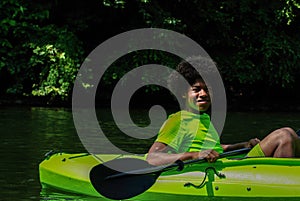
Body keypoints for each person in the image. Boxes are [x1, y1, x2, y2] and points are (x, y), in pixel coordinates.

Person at [146, 56, 300, 166]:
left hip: (227, 165)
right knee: (284, 135)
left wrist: (241, 145)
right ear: (183, 92)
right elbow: (152, 158)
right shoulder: (178, 120)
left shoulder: (204, 118)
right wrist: (194, 155)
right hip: (217, 171)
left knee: (292, 135)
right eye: (196, 89)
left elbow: (216, 147)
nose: (204, 94)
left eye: (207, 89)